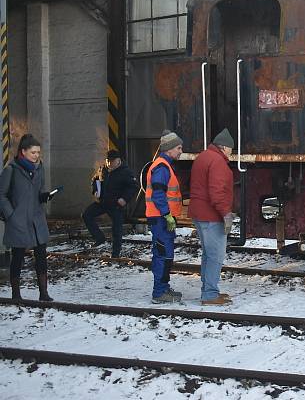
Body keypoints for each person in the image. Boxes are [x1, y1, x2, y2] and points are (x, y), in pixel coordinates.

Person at [0, 134, 56, 301]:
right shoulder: (11, 170)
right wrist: (11, 214)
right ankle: (16, 294)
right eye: (33, 152)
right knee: (17, 256)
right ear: (23, 152)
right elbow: (1, 195)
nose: (37, 155)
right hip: (18, 220)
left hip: (36, 219)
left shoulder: (40, 168)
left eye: (38, 152)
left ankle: (44, 293)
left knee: (41, 255)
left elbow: (39, 191)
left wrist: (44, 196)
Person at [189, 128, 236, 305]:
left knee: (208, 254)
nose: (231, 153)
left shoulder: (203, 156)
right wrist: (226, 213)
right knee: (216, 255)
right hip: (211, 215)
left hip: (199, 213)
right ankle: (209, 294)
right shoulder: (217, 161)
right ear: (223, 147)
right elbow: (217, 192)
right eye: (231, 149)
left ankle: (208, 291)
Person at [144, 130, 184, 304]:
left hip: (163, 218)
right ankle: (159, 293)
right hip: (161, 219)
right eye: (179, 148)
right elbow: (158, 194)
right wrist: (167, 215)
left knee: (165, 254)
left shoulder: (164, 166)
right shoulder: (161, 167)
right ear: (169, 149)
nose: (181, 151)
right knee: (162, 255)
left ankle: (163, 288)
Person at [82, 149, 138, 258]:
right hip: (102, 202)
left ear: (118, 160)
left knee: (117, 229)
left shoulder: (126, 172)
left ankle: (115, 254)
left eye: (112, 161)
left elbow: (133, 186)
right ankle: (99, 238)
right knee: (86, 215)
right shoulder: (103, 169)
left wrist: (124, 199)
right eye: (108, 161)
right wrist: (95, 190)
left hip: (116, 204)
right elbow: (94, 180)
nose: (109, 163)